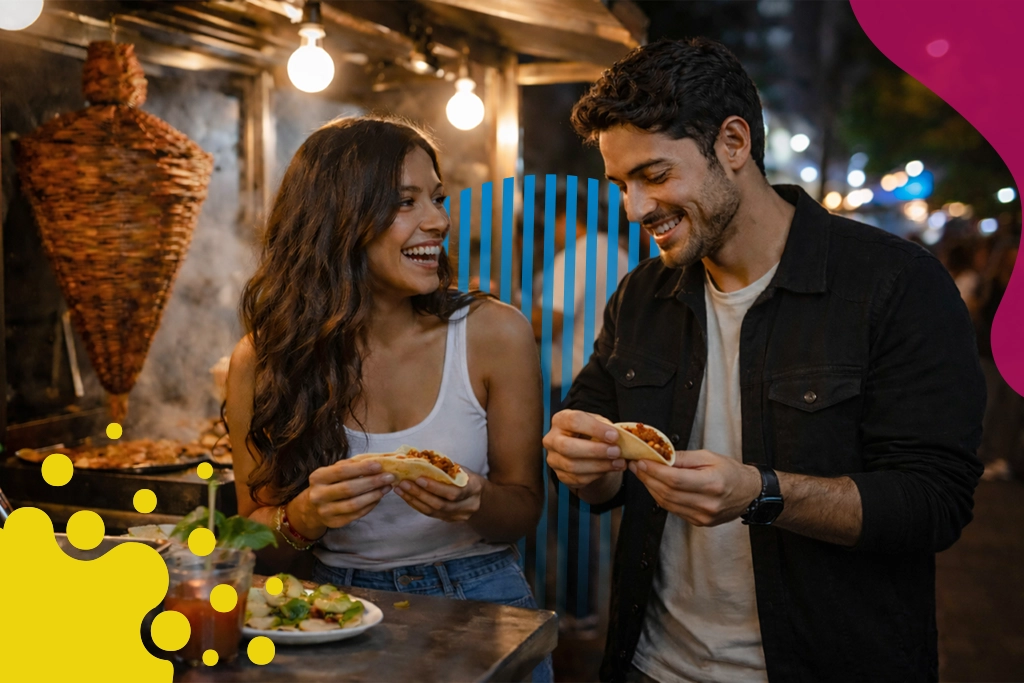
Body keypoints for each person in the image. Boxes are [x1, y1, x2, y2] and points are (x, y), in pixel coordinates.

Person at [544, 38, 985, 682]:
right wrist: (581, 463)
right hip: (651, 664)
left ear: (733, 142)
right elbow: (602, 469)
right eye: (621, 184)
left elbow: (934, 501)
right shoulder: (642, 295)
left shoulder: (895, 285)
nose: (635, 208)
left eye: (656, 175)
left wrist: (761, 493)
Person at [225, 115, 552, 681]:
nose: (440, 221)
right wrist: (303, 517)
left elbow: (524, 507)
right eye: (406, 202)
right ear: (338, 218)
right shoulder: (262, 360)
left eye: (437, 198)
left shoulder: (494, 333)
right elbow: (254, 544)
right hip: (332, 605)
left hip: (480, 590)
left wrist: (474, 499)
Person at [531, 199, 630, 411]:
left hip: (576, 383)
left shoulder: (574, 257)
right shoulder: (620, 255)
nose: (551, 233)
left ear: (565, 219)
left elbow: (548, 324)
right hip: (613, 379)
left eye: (551, 223)